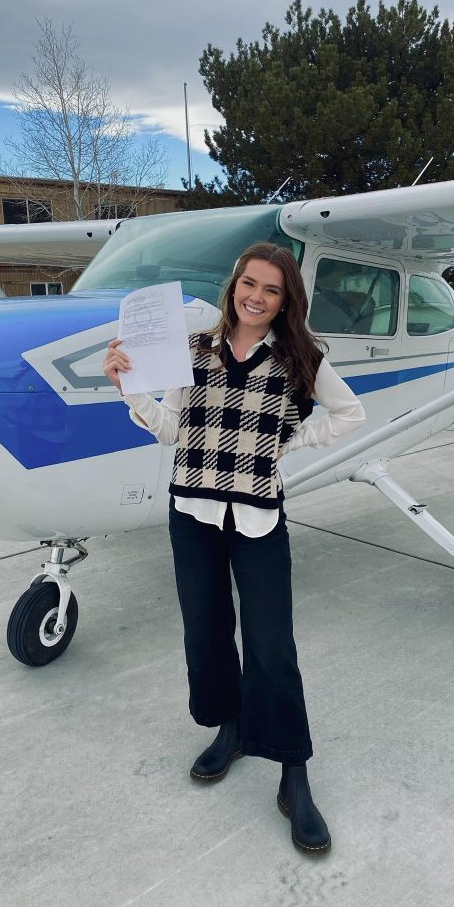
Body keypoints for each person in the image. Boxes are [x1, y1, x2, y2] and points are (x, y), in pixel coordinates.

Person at [103, 242, 365, 854]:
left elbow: (349, 414)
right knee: (207, 631)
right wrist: (129, 390)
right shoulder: (193, 350)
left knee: (273, 646)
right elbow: (173, 429)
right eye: (249, 283)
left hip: (257, 517)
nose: (256, 296)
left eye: (271, 289)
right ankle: (233, 728)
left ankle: (292, 774)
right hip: (192, 511)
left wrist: (287, 443)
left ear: (286, 299)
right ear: (234, 286)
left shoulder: (302, 357)